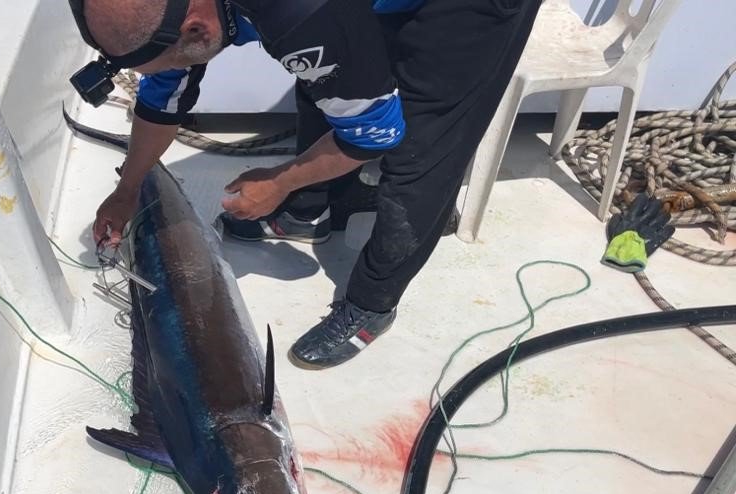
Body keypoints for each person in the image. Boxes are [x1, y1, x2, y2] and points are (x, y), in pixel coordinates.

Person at [69, 0, 542, 370]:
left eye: (167, 62)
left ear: (196, 29)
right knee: (327, 81)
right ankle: (316, 207)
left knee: (422, 143)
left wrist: (278, 181)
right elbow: (162, 99)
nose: (164, 74)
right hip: (332, 16)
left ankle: (372, 305)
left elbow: (377, 132)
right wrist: (127, 188)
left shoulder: (301, 13)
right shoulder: (187, 17)